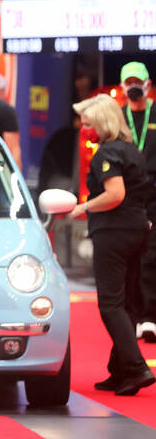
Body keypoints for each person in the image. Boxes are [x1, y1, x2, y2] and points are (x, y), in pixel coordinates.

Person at [70, 94, 155, 396]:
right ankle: (120, 371)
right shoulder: (132, 150)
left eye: (88, 123)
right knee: (128, 302)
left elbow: (115, 194)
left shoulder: (106, 154)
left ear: (102, 123)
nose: (83, 128)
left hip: (114, 232)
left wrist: (84, 207)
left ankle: (134, 366)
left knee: (110, 304)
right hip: (137, 230)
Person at [119, 61, 156, 342]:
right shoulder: (119, 118)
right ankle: (132, 314)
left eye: (137, 81)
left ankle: (150, 316)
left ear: (148, 84)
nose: (133, 86)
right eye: (128, 81)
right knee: (131, 256)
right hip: (128, 197)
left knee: (152, 256)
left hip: (154, 194)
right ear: (122, 86)